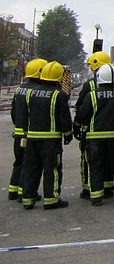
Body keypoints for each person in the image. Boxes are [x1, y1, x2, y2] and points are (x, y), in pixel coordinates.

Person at [75, 63, 114, 206]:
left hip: (94, 139)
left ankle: (96, 197)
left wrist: (77, 128)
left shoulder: (92, 95)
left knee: (95, 167)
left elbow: (82, 115)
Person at [20, 61, 72, 210]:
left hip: (32, 138)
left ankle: (28, 199)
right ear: (58, 77)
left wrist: (24, 133)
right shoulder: (59, 95)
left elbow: (24, 115)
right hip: (51, 140)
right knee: (52, 169)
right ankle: (51, 199)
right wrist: (68, 135)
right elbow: (64, 118)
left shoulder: (31, 93)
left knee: (31, 168)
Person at [74, 51, 114, 199]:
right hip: (113, 132)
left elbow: (81, 109)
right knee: (108, 161)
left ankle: (88, 189)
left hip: (91, 132)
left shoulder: (89, 86)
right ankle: (108, 188)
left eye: (92, 66)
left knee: (89, 162)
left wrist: (76, 126)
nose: (91, 69)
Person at [8, 58, 47, 201]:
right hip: (30, 134)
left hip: (18, 133)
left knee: (18, 162)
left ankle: (13, 190)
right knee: (29, 164)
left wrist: (18, 125)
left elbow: (14, 111)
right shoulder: (36, 91)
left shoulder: (19, 89)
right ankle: (23, 193)